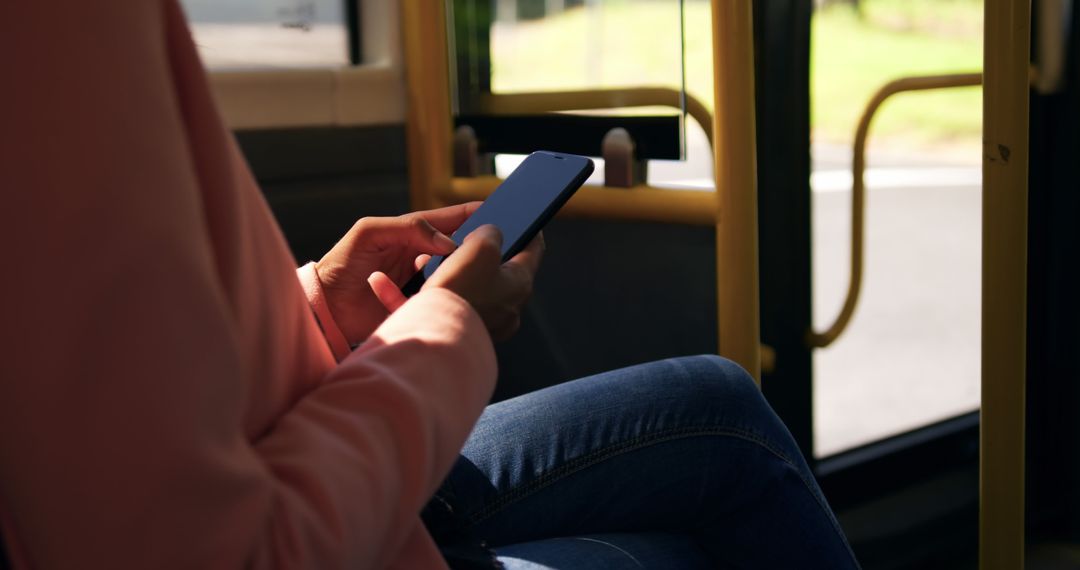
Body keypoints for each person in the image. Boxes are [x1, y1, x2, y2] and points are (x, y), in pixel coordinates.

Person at [0, 1, 859, 568]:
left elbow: (145, 374)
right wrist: (450, 325)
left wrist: (311, 308)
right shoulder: (55, 34)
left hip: (284, 461)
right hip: (308, 517)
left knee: (717, 404)